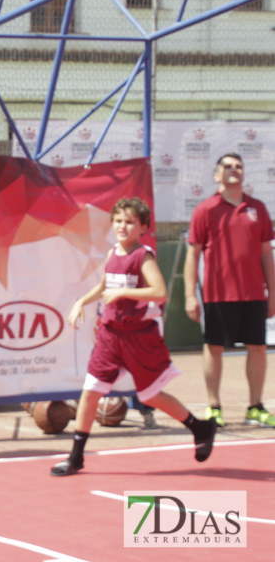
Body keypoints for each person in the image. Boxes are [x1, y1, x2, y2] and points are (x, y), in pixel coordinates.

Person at [51, 198, 217, 476]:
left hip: (138, 337)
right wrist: (81, 302)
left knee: (150, 394)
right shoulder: (112, 253)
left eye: (129, 222)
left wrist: (125, 293)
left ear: (143, 228)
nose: (122, 226)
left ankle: (199, 427)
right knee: (91, 391)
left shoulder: (143, 257)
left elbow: (159, 292)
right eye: (118, 220)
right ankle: (76, 457)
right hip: (110, 335)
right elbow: (105, 286)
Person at [184, 152, 275, 428]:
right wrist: (190, 295)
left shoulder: (257, 208)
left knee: (258, 348)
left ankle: (255, 407)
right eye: (227, 166)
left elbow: (266, 256)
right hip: (217, 295)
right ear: (217, 175)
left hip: (254, 295)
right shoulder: (205, 209)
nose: (234, 169)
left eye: (239, 166)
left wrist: (272, 293)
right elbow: (193, 255)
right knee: (214, 349)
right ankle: (214, 407)